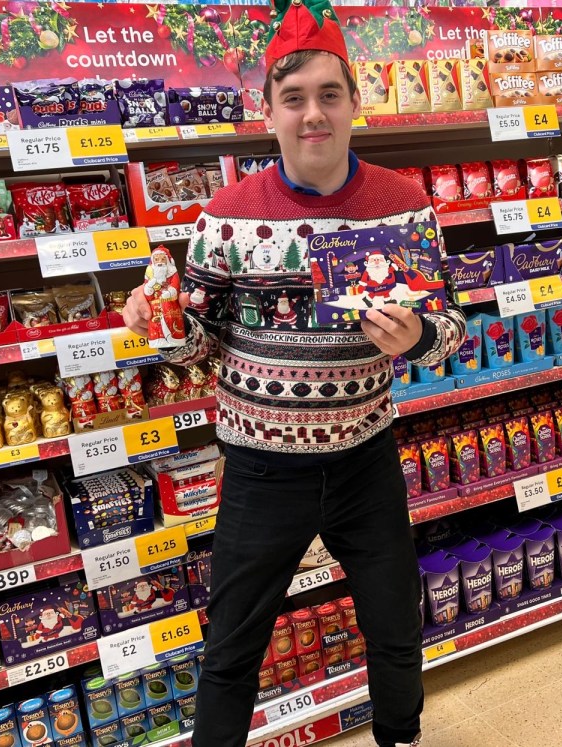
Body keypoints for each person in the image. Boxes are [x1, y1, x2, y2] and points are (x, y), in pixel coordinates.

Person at [122, 1, 465, 743]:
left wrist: (416, 338)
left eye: (329, 94)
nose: (314, 114)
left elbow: (451, 331)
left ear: (354, 103)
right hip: (260, 468)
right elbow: (200, 347)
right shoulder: (225, 215)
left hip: (365, 460)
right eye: (295, 98)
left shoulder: (406, 207)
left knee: (395, 623)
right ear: (267, 112)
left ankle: (400, 735)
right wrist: (162, 326)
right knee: (232, 644)